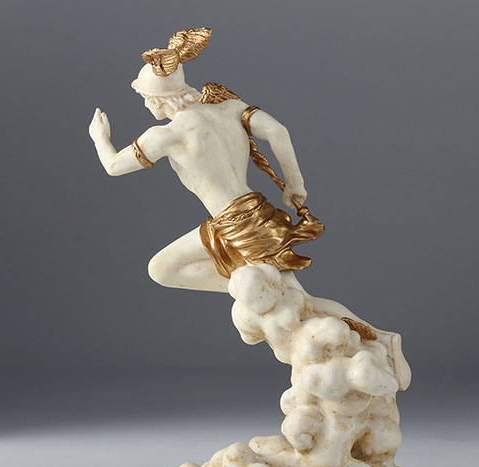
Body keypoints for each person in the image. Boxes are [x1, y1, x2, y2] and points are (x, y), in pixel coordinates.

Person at [89, 28, 319, 293]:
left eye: (145, 99)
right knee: (162, 268)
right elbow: (278, 131)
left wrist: (100, 138)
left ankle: (257, 293)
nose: (145, 105)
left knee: (293, 300)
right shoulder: (230, 108)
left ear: (158, 99)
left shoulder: (167, 135)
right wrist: (294, 185)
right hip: (250, 214)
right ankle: (251, 292)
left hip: (239, 226)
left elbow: (113, 166)